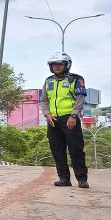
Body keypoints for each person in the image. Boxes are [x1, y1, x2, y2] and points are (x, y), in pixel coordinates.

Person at [39, 52, 89, 188]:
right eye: (54, 64)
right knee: (57, 151)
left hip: (70, 119)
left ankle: (82, 179)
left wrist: (74, 116)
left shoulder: (76, 79)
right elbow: (43, 100)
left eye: (60, 64)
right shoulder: (48, 81)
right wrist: (47, 114)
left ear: (67, 65)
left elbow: (80, 99)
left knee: (76, 150)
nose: (57, 66)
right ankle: (64, 178)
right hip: (53, 120)